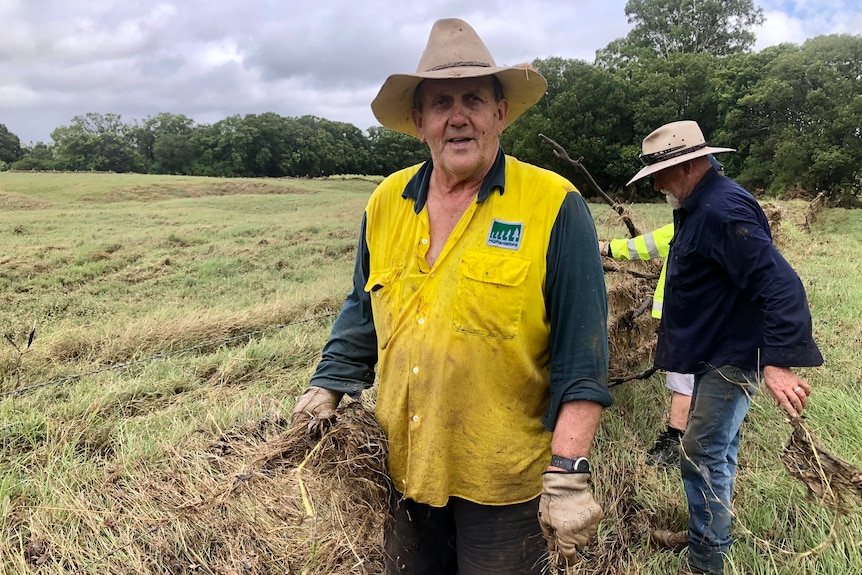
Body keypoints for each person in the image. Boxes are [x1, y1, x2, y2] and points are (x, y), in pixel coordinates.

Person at [290, 18, 612, 575]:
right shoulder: (386, 201)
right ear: (419, 122)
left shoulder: (554, 205)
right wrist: (326, 386)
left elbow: (582, 358)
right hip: (402, 472)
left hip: (504, 483)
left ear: (500, 113)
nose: (457, 116)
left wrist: (568, 474)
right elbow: (363, 309)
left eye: (473, 99)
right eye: (440, 102)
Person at [626, 120, 823, 575]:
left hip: (733, 355)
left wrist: (777, 361)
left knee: (701, 451)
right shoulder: (700, 203)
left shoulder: (721, 210)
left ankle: (706, 560)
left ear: (688, 165)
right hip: (717, 347)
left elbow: (780, 285)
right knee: (719, 447)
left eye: (660, 174)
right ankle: (709, 533)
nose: (656, 185)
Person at [599, 223, 693, 467]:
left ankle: (676, 440)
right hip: (708, 317)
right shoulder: (724, 222)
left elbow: (644, 246)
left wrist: (607, 248)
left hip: (686, 314)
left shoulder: (690, 223)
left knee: (683, 378)